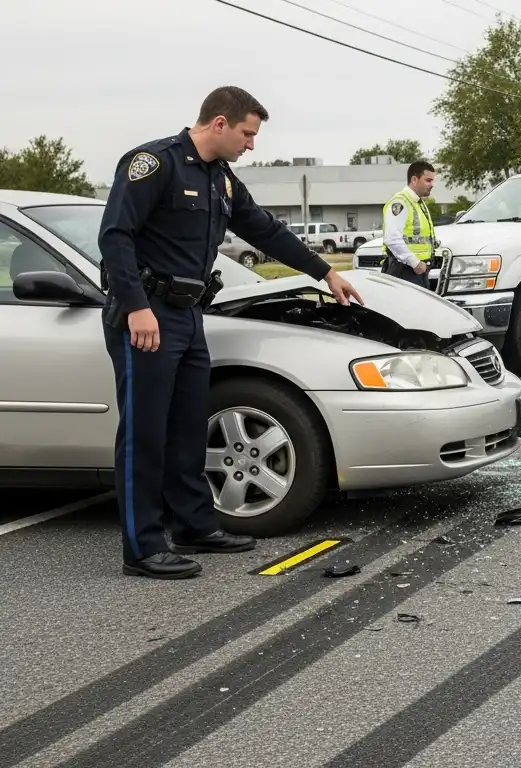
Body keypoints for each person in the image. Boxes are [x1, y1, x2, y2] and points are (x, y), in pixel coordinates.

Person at [98, 86, 364, 580]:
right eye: (248, 133)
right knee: (144, 434)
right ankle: (142, 546)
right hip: (147, 316)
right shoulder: (154, 164)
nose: (251, 145)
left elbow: (264, 229)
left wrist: (324, 272)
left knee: (185, 428)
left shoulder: (221, 181)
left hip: (187, 315)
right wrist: (136, 307)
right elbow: (114, 236)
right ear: (219, 123)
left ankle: (194, 525)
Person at [380, 160, 438, 287]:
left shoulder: (418, 202)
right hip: (406, 270)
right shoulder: (401, 202)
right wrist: (415, 263)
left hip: (416, 270)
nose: (432, 184)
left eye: (433, 180)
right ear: (414, 179)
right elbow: (392, 239)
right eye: (428, 180)